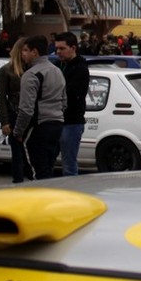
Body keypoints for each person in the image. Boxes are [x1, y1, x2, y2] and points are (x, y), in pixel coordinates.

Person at [13, 35, 67, 180]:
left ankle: (40, 200)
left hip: (39, 126)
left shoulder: (31, 75)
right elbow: (64, 102)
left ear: (34, 52)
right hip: (57, 124)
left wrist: (18, 131)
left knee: (37, 172)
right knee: (48, 169)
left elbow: (26, 109)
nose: (23, 54)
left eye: (25, 50)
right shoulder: (57, 71)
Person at [55, 31, 90, 177]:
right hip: (55, 120)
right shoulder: (57, 66)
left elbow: (71, 93)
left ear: (73, 48)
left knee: (69, 165)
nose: (58, 52)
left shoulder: (80, 68)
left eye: (62, 49)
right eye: (56, 48)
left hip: (71, 122)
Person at [0, 38, 32, 183]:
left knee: (29, 150)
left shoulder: (32, 68)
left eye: (28, 50)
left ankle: (31, 176)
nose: (26, 53)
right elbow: (1, 97)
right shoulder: (6, 70)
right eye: (23, 50)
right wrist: (4, 121)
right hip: (14, 115)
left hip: (31, 115)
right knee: (17, 152)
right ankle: (18, 181)